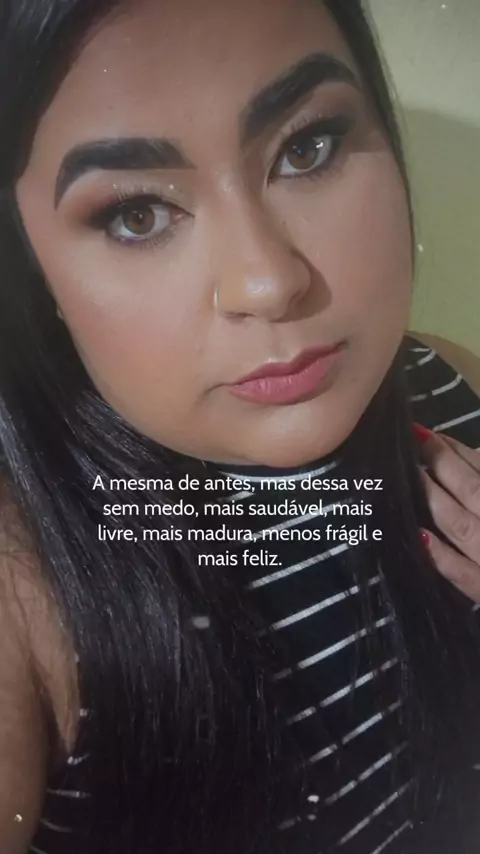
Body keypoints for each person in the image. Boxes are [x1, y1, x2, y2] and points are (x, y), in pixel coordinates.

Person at [0, 1, 479, 852]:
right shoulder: (23, 587)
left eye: (308, 147)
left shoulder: (452, 381)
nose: (267, 282)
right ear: (33, 270)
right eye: (136, 214)